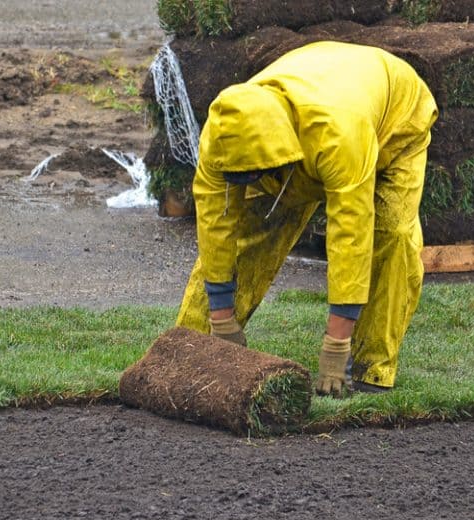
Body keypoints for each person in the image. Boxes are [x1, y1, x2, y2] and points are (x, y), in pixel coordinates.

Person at [176, 40, 439, 397]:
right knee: (250, 234)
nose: (248, 182)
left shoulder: (339, 133)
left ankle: (370, 369)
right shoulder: (223, 133)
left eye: (254, 174)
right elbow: (215, 225)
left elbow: (351, 235)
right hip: (312, 107)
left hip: (392, 117)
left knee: (391, 235)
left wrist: (336, 345)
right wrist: (221, 321)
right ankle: (187, 354)